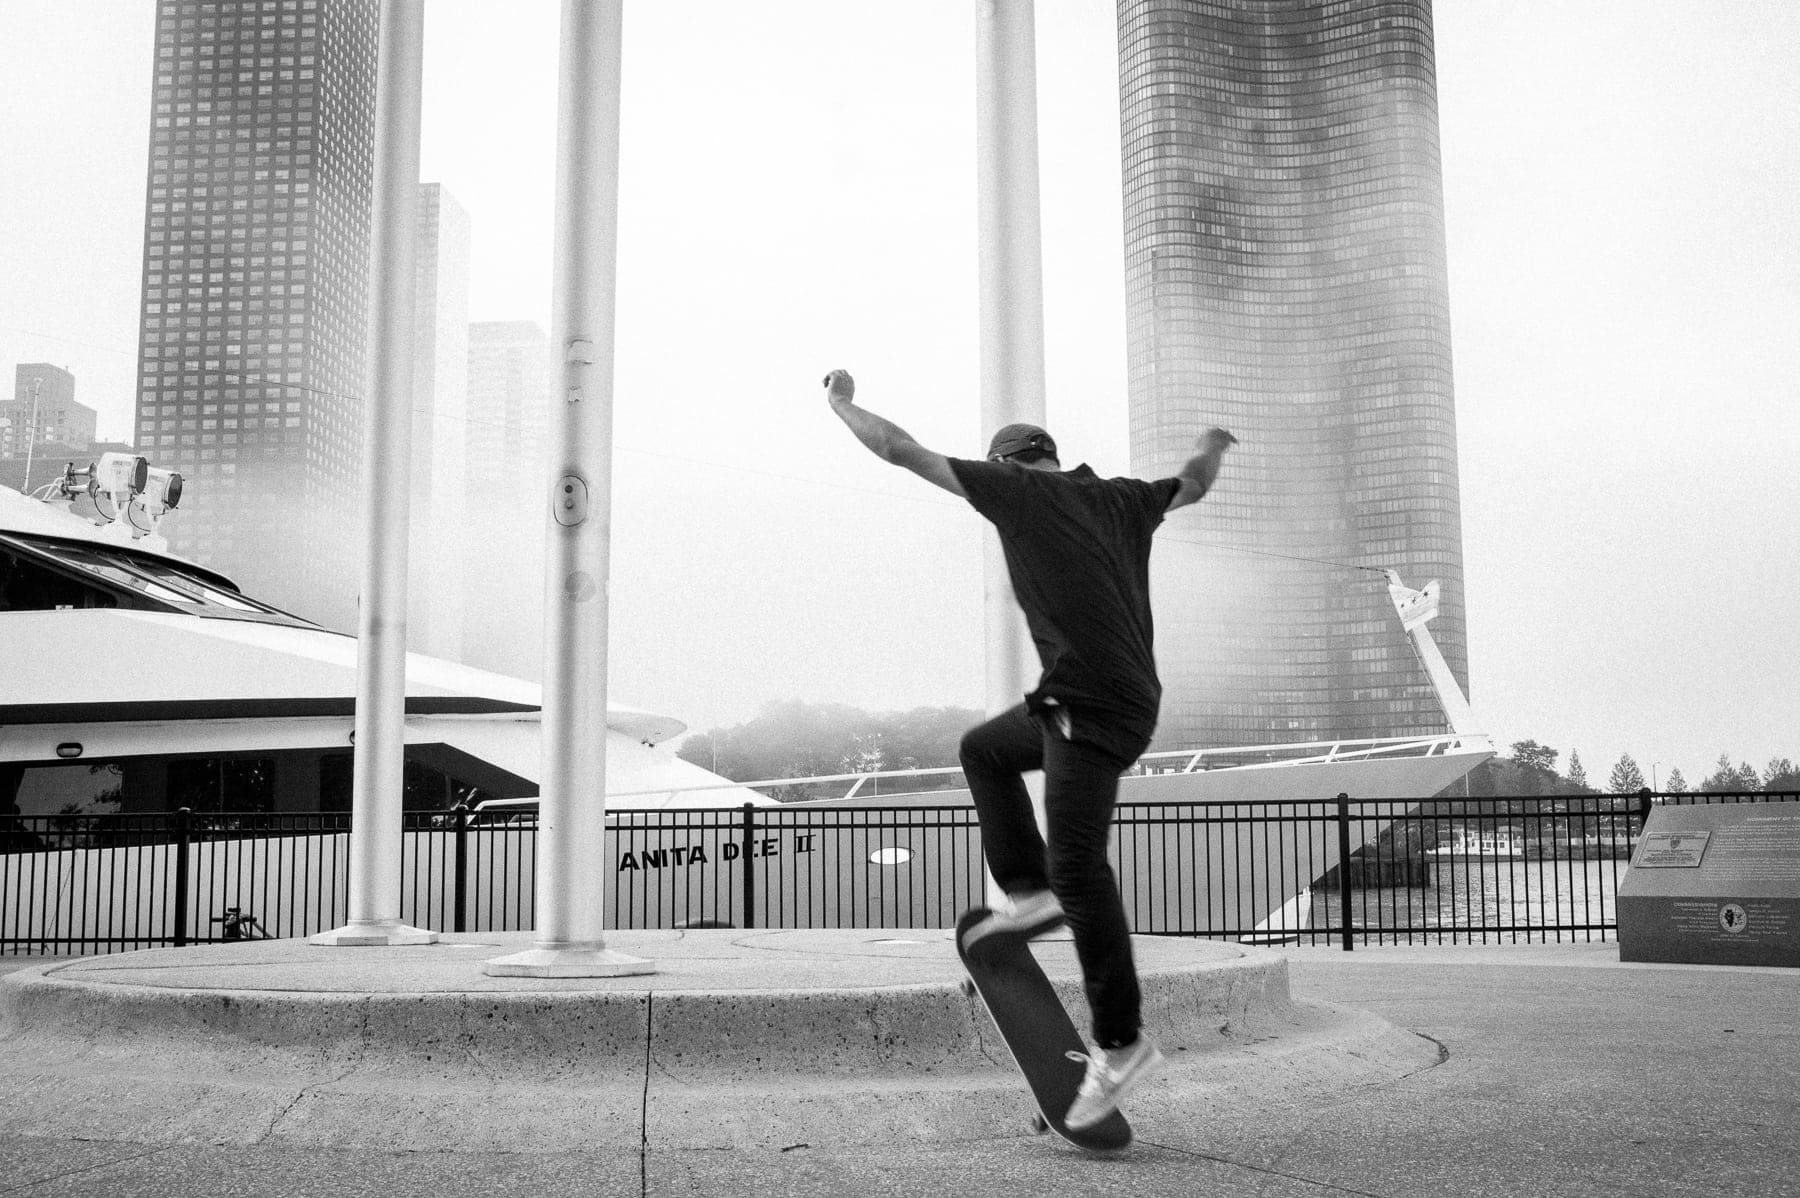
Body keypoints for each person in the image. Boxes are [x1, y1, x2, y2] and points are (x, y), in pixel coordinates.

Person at [822, 367, 1235, 1130]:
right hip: (1091, 699)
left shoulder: (1015, 491)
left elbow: (899, 450)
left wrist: (841, 402)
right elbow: (1194, 484)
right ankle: (1028, 887)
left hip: (1091, 702)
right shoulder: (1124, 498)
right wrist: (1213, 445)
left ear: (1009, 465)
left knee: (1081, 868)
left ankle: (1123, 1042)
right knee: (985, 749)